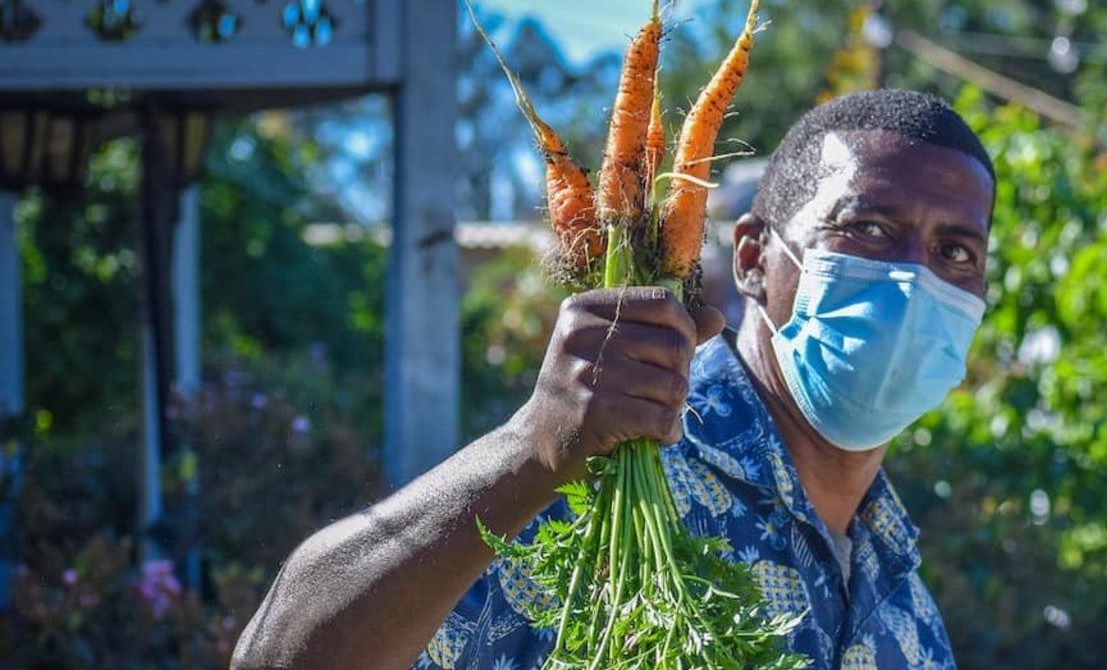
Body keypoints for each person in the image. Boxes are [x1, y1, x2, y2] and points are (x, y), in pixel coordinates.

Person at [231, 89, 995, 669]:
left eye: (955, 253)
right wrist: (531, 447)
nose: (910, 279)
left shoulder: (905, 600)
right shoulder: (606, 478)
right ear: (756, 260)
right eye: (867, 230)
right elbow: (279, 659)